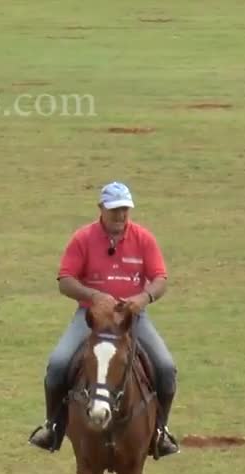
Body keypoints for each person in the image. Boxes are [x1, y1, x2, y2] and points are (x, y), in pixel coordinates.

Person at [28, 180, 179, 457]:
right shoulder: (83, 238)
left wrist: (142, 298)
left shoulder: (143, 238)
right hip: (91, 318)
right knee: (59, 363)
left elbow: (160, 279)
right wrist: (94, 296)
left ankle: (160, 431)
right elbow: (65, 281)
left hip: (131, 319)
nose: (120, 216)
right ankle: (52, 426)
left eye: (124, 210)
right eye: (114, 210)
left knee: (166, 368)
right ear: (101, 209)